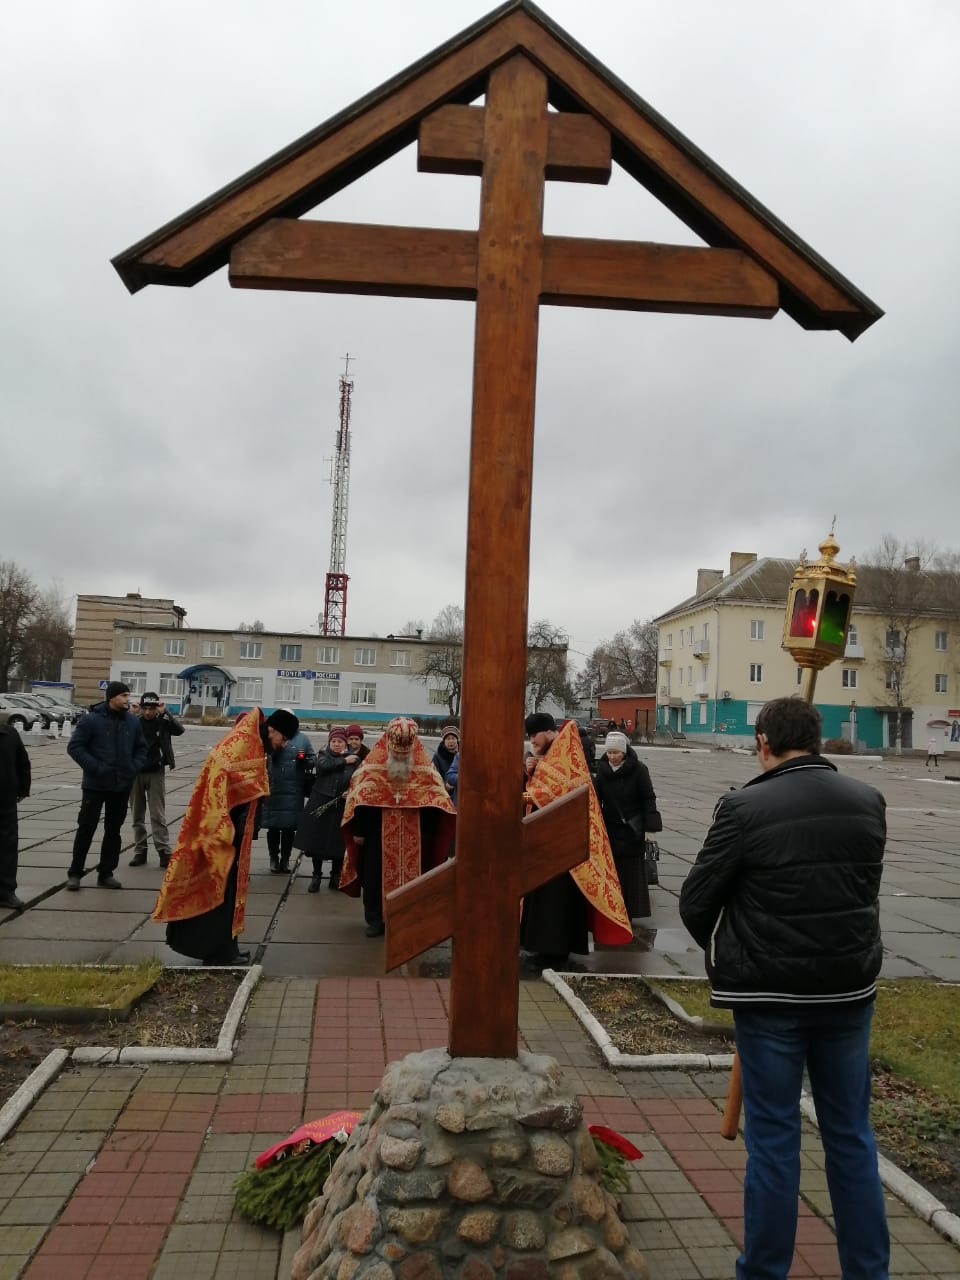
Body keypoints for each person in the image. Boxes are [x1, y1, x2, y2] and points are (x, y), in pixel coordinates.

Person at [678, 697, 889, 1280]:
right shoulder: (868, 801)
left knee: (773, 1141)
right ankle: (869, 1272)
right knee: (851, 1137)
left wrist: (732, 949)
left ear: (763, 743)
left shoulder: (744, 807)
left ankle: (764, 1271)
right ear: (817, 740)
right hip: (847, 993)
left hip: (769, 999)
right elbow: (860, 888)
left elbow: (696, 901)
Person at [154, 707, 269, 966]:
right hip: (218, 836)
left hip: (225, 833)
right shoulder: (237, 750)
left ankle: (228, 947)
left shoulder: (242, 748)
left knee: (228, 896)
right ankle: (219, 952)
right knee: (219, 896)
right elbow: (226, 796)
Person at [521, 713, 632, 969]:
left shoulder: (564, 756)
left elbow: (551, 794)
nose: (532, 741)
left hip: (565, 847)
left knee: (558, 903)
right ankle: (544, 950)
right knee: (545, 901)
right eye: (529, 736)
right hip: (549, 845)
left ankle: (555, 953)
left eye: (534, 735)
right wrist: (530, 772)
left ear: (548, 732)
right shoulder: (551, 756)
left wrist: (527, 793)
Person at [340, 716, 456, 936]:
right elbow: (360, 798)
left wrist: (429, 833)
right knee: (374, 877)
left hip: (415, 834)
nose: (401, 756)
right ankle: (376, 920)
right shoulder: (371, 766)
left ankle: (408, 920)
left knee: (415, 879)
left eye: (405, 753)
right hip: (376, 833)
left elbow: (436, 799)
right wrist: (359, 831)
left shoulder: (425, 768)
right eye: (397, 753)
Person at [66, 681, 147, 890]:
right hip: (95, 785)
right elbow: (75, 747)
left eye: (128, 695)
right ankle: (75, 873)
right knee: (86, 828)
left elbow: (141, 748)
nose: (127, 699)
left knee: (113, 831)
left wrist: (132, 768)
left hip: (121, 786)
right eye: (123, 695)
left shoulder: (132, 722)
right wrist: (95, 767)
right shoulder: (91, 720)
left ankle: (106, 873)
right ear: (112, 697)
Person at [593, 731, 660, 921]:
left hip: (632, 830)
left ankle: (630, 911)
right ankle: (612, 910)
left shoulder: (639, 770)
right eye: (609, 752)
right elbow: (596, 798)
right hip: (610, 828)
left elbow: (648, 798)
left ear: (624, 752)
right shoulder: (602, 770)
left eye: (616, 753)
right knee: (612, 871)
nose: (612, 757)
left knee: (631, 873)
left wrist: (650, 828)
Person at [295, 726, 362, 892]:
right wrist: (344, 761)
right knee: (317, 842)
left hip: (341, 806)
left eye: (340, 741)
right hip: (321, 803)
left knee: (338, 843)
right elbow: (322, 767)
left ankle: (335, 875)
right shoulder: (324, 755)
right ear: (329, 742)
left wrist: (351, 791)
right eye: (333, 741)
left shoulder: (355, 760)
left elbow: (359, 779)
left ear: (345, 743)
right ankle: (316, 875)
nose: (336, 744)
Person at [128, 692, 185, 868]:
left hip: (156, 772)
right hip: (136, 772)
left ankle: (163, 851)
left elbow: (180, 730)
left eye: (151, 709)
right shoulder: (134, 721)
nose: (147, 712)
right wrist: (130, 714)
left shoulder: (162, 721)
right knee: (137, 814)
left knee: (157, 814)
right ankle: (140, 850)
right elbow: (120, 732)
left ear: (156, 708)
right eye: (144, 708)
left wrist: (165, 712)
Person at [259, 709, 316, 873]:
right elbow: (265, 756)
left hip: (294, 789)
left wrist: (304, 760)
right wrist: (276, 750)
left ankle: (285, 859)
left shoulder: (302, 739)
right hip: (275, 786)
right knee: (273, 826)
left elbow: (312, 759)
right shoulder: (271, 736)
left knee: (289, 828)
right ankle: (273, 858)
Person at [0, 719, 31, 911]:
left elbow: (23, 762)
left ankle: (6, 892)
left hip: (5, 802)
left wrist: (22, 789)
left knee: (7, 848)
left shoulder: (9, 734)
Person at [431, 725, 460, 795]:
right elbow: (434, 776)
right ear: (444, 741)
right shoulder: (437, 757)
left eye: (453, 738)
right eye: (448, 739)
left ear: (457, 740)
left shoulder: (462, 755)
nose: (451, 741)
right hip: (444, 793)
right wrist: (445, 786)